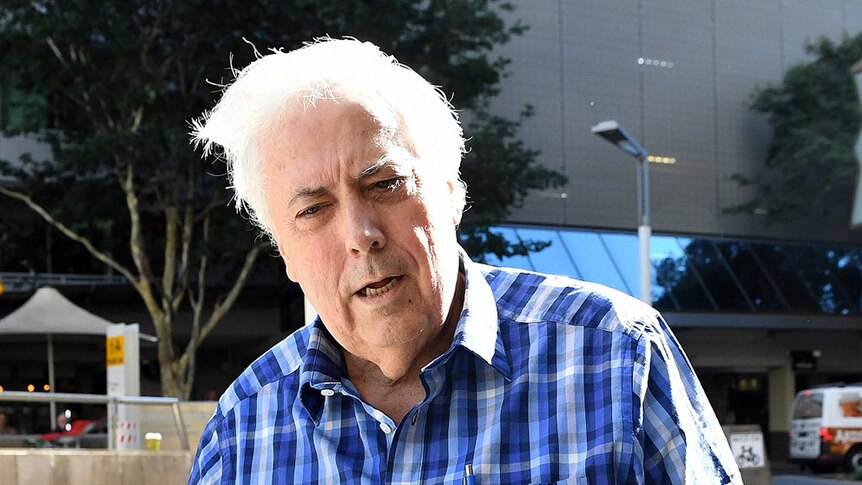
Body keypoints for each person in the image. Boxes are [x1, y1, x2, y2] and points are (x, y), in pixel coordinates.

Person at [188, 38, 741, 484]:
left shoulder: (617, 358)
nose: (360, 235)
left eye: (384, 184)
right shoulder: (243, 428)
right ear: (284, 250)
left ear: (452, 192)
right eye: (313, 210)